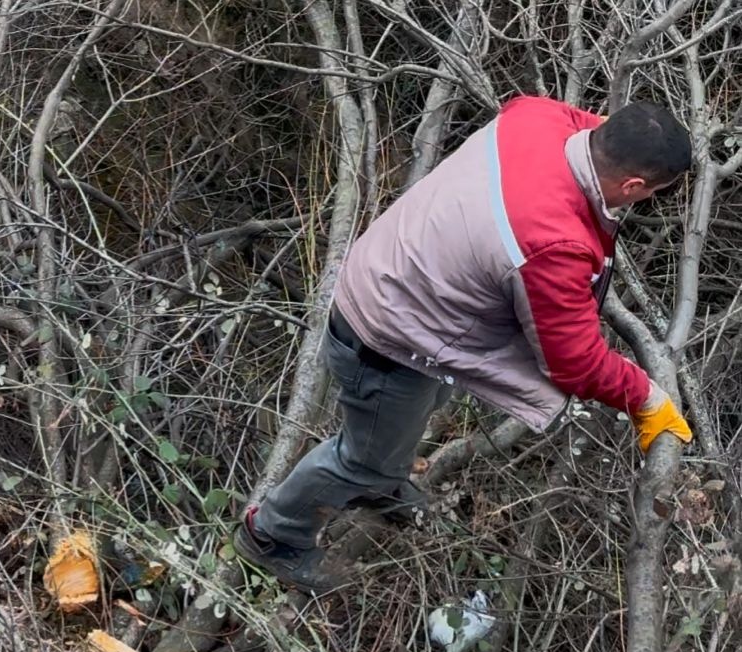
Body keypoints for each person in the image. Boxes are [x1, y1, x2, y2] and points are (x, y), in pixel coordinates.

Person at [236, 96, 694, 589]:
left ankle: (385, 476)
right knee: (362, 456)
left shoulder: (538, 118)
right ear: (632, 185)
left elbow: (562, 116)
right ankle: (272, 535)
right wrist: (646, 400)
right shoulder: (555, 242)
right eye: (651, 193)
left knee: (428, 400)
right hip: (390, 332)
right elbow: (575, 362)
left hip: (403, 280)